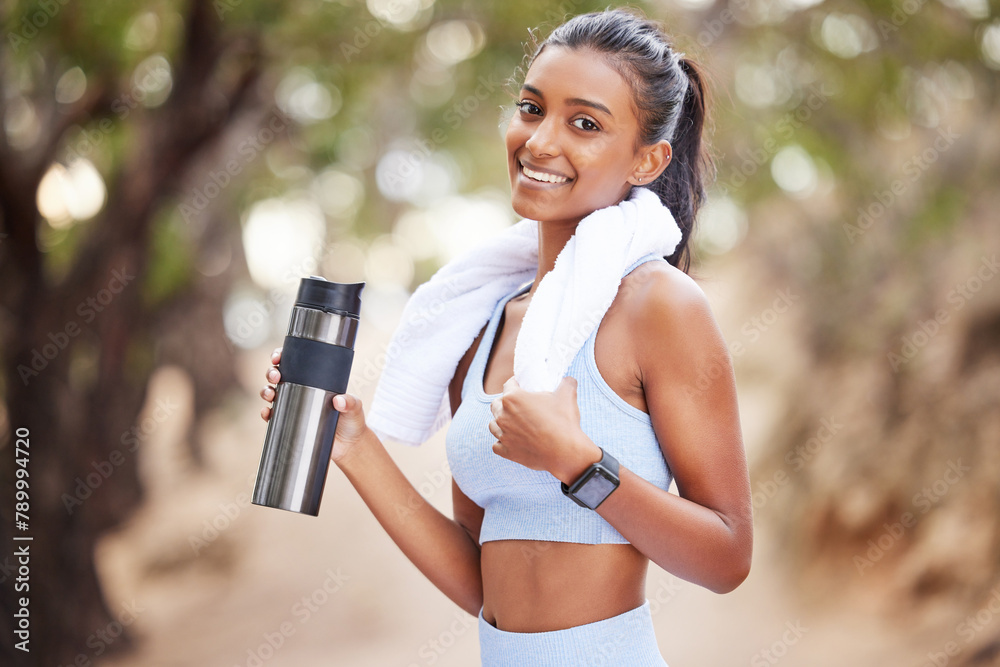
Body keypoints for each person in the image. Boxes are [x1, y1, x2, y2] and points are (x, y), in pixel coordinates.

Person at [261, 8, 751, 666]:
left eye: (585, 123)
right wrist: (350, 442)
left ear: (647, 159)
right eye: (530, 108)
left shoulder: (659, 305)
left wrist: (579, 463)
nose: (541, 141)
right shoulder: (483, 319)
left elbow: (727, 555)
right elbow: (481, 580)